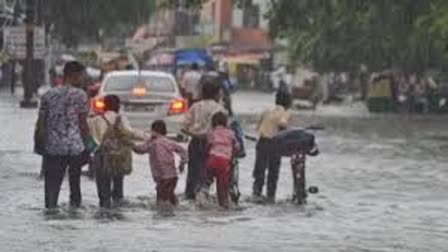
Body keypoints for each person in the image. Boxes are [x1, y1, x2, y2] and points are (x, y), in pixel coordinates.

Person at [36, 61, 91, 209]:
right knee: (75, 186)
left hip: (53, 147)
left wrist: (41, 147)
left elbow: (41, 125)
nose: (83, 79)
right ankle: (74, 218)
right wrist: (90, 146)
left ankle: (51, 211)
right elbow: (83, 125)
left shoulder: (48, 95)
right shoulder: (81, 95)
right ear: (74, 75)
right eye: (82, 76)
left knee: (51, 188)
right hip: (74, 148)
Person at [88, 95, 143, 208]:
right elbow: (130, 133)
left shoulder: (96, 120)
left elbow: (89, 135)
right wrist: (148, 137)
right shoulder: (121, 118)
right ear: (118, 106)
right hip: (118, 156)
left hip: (101, 156)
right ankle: (117, 209)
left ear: (104, 105)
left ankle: (104, 207)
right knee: (118, 186)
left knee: (103, 187)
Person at [182, 79, 226, 200]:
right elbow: (224, 130)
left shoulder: (195, 106)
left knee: (193, 173)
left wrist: (196, 135)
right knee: (208, 174)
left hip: (195, 142)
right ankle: (204, 198)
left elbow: (183, 127)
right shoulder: (220, 109)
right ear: (216, 94)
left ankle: (190, 197)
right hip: (213, 145)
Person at [133, 120, 188, 213]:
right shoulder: (168, 142)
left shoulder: (152, 143)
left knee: (161, 199)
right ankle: (177, 210)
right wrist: (182, 162)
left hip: (162, 177)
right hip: (173, 176)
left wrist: (131, 145)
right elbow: (182, 150)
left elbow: (140, 150)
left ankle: (163, 214)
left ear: (153, 131)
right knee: (170, 195)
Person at [252, 89, 293, 203]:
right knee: (273, 173)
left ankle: (256, 194)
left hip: (262, 142)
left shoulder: (267, 110)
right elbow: (282, 124)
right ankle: (270, 197)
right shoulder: (286, 112)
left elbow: (258, 127)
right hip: (275, 144)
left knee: (259, 172)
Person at [206, 112, 240, 209]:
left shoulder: (211, 132)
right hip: (224, 162)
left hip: (212, 159)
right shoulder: (230, 133)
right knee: (222, 186)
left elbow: (208, 145)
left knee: (207, 181)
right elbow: (237, 147)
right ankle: (223, 205)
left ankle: (202, 196)